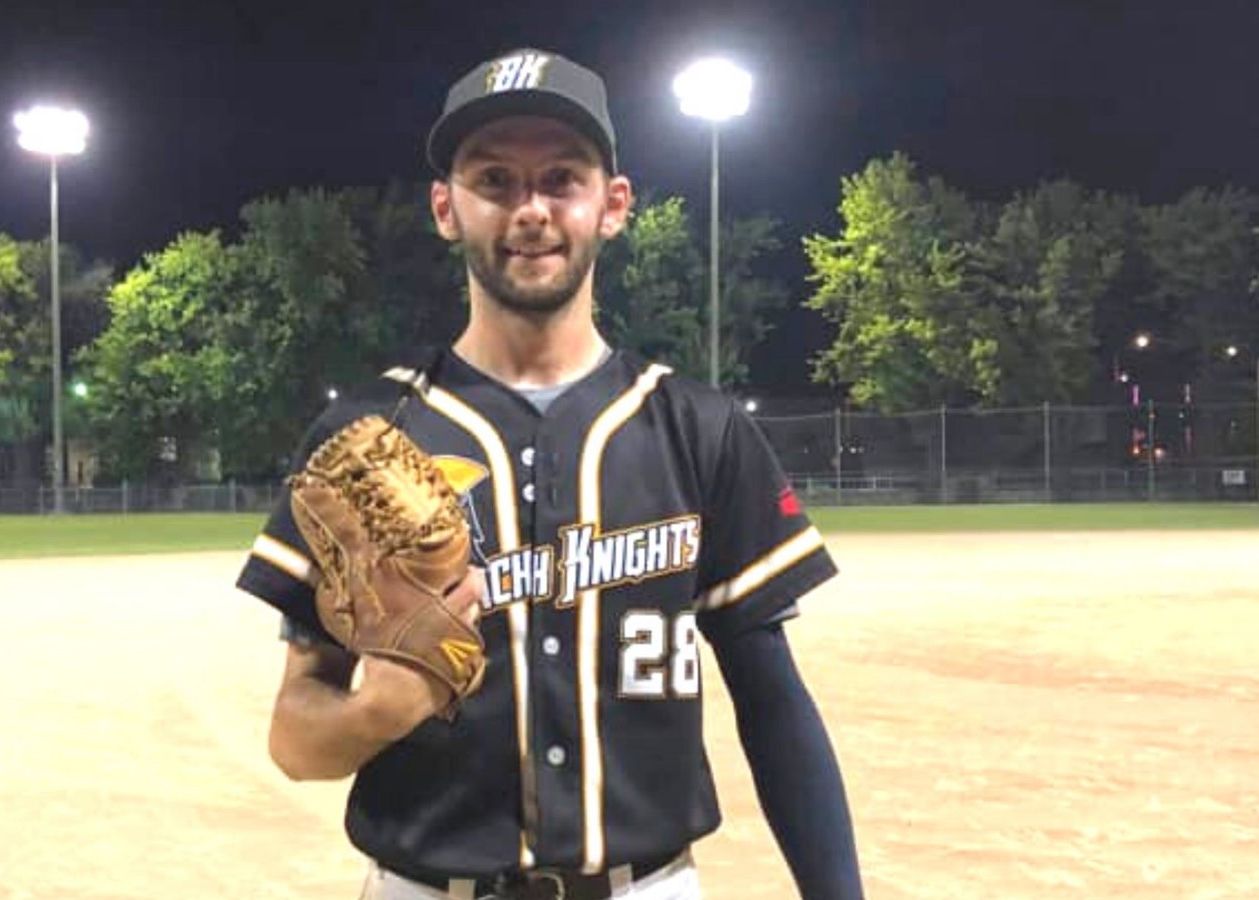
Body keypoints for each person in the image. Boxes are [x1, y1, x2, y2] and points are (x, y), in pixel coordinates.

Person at [237, 47, 864, 900]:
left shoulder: (699, 429)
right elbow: (293, 737)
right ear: (445, 208)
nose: (530, 209)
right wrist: (371, 713)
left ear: (613, 204)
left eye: (561, 178)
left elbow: (774, 704)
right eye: (494, 180)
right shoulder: (367, 439)